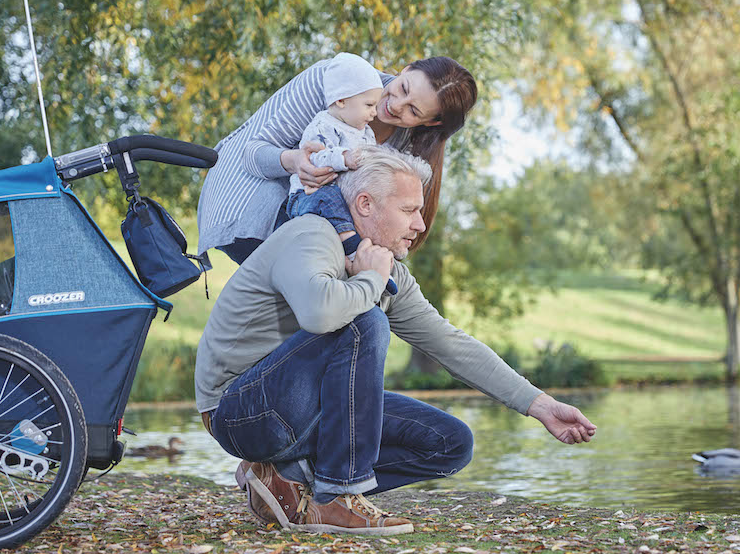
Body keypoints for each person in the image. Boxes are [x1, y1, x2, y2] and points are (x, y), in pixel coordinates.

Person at [195, 145, 597, 536]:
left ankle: (288, 478)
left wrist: (540, 405)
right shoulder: (310, 234)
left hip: (303, 409)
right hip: (238, 411)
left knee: (450, 443)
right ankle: (338, 495)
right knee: (364, 320)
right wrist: (370, 279)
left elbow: (449, 343)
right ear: (366, 204)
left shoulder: (389, 272)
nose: (420, 225)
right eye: (409, 211)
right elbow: (320, 314)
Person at [196, 52, 476, 267]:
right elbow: (251, 152)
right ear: (407, 69)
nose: (394, 105)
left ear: (431, 122)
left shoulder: (408, 143)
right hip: (249, 198)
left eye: (413, 110)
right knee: (321, 292)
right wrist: (295, 161)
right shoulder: (338, 79)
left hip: (317, 219)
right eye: (403, 88)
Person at [284, 52, 397, 295]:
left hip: (338, 195)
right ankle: (355, 252)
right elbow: (313, 157)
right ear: (341, 101)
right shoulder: (323, 125)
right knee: (331, 199)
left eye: (375, 106)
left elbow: (370, 157)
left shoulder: (366, 132)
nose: (374, 113)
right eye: (369, 105)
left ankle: (376, 264)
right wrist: (343, 157)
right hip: (308, 196)